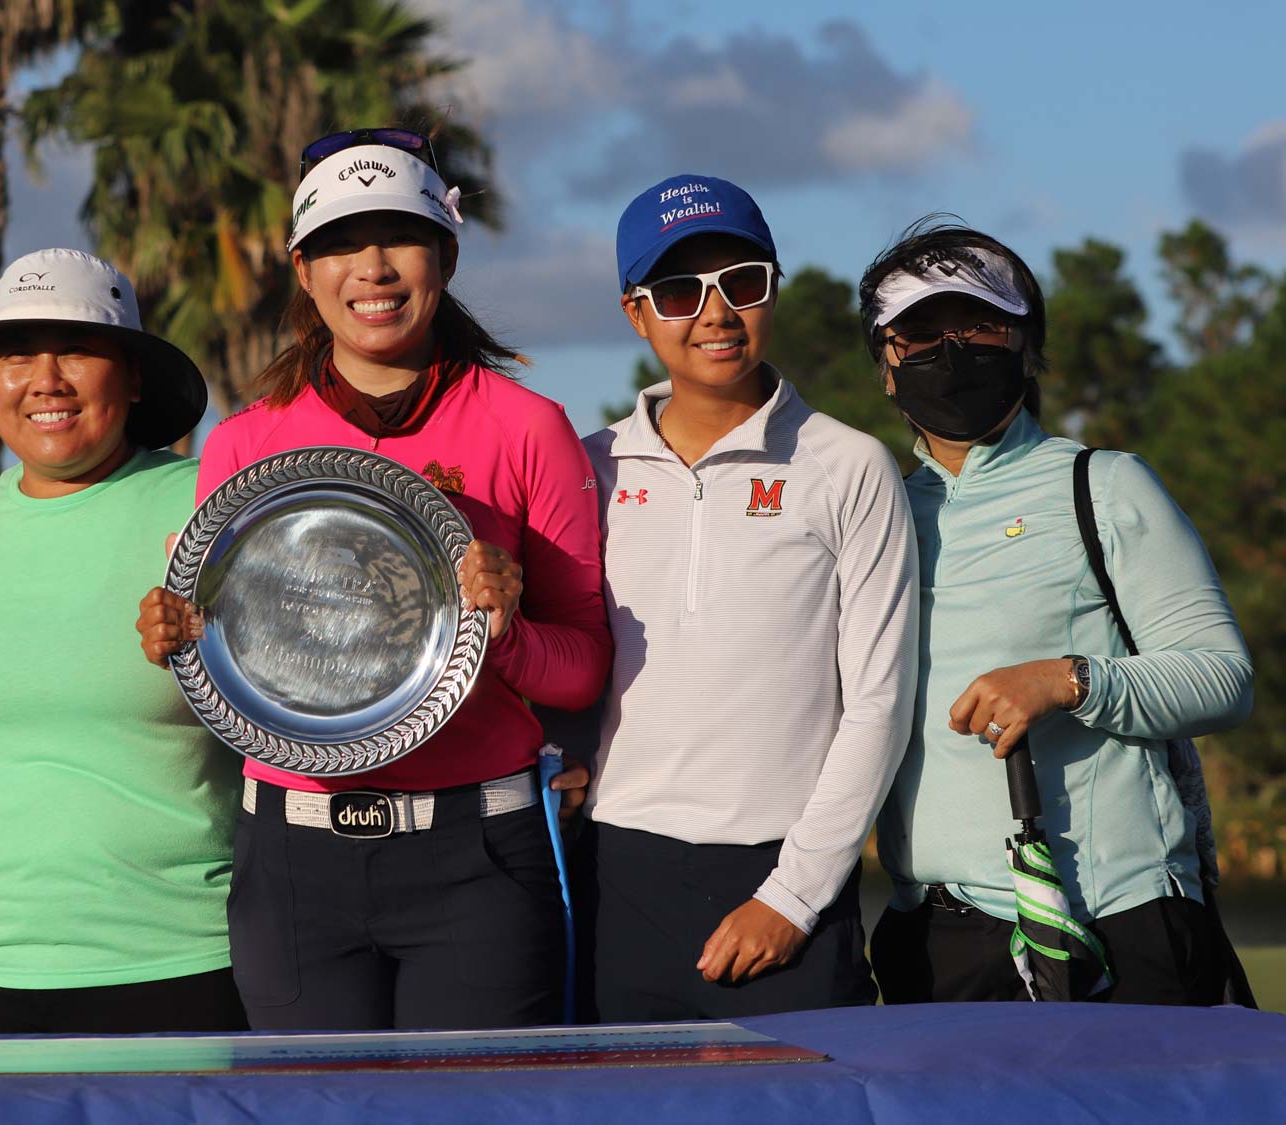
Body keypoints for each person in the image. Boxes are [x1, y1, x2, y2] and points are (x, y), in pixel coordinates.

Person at [137, 129, 611, 1031]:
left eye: (398, 236)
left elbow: (581, 666)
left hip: (477, 853)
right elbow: (239, 662)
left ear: (445, 255)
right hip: (293, 857)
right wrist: (175, 639)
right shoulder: (244, 443)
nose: (374, 267)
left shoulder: (528, 426)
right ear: (305, 271)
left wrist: (505, 628)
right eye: (342, 243)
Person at [859, 220, 1253, 1005]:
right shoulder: (879, 514)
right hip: (940, 941)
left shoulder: (1102, 484)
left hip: (1118, 923)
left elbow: (1223, 677)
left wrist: (1071, 679)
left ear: (1026, 348)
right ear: (887, 368)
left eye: (979, 324)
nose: (952, 350)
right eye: (920, 333)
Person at [579, 175, 918, 1021]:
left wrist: (795, 896)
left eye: (742, 282)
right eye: (679, 291)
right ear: (636, 312)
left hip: (784, 874)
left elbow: (879, 700)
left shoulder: (850, 466)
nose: (716, 312)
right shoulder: (587, 466)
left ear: (775, 287)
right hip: (616, 872)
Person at [0, 248, 243, 1034]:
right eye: (17, 353)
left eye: (79, 349)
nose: (46, 378)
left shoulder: (208, 504)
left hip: (178, 968)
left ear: (132, 378)